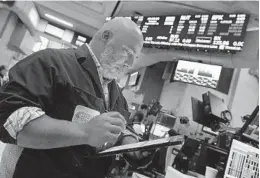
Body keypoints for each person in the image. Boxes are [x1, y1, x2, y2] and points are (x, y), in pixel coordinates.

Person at [0, 17, 152, 178]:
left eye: (134, 57)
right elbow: (10, 119)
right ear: (105, 36)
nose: (129, 63)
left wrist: (127, 142)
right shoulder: (51, 62)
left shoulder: (119, 97)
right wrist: (85, 132)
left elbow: (117, 128)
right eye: (127, 51)